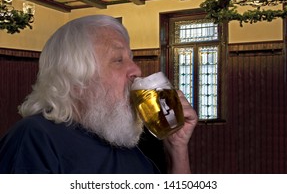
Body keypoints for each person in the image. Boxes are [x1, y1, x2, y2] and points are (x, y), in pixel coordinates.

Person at [0, 15, 197, 174]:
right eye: (118, 59)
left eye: (131, 58)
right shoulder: (35, 138)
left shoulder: (126, 137)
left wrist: (177, 148)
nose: (136, 70)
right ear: (77, 78)